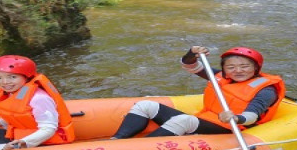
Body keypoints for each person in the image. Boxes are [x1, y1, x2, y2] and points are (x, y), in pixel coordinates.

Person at [111, 46, 286, 139]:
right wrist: (191, 53)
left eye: (245, 66)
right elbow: (191, 65)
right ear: (224, 69)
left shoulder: (266, 89)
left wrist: (235, 117)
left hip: (231, 127)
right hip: (207, 119)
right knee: (145, 105)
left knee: (184, 120)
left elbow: (252, 115)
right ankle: (117, 141)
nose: (238, 71)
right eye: (231, 67)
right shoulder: (219, 76)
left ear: (256, 68)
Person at [0, 55, 75, 150]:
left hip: (40, 142)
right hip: (17, 136)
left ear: (26, 77)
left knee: (0, 149)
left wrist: (24, 142)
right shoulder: (11, 92)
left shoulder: (39, 98)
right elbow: (20, 116)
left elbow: (49, 128)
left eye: (12, 77)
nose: (4, 82)